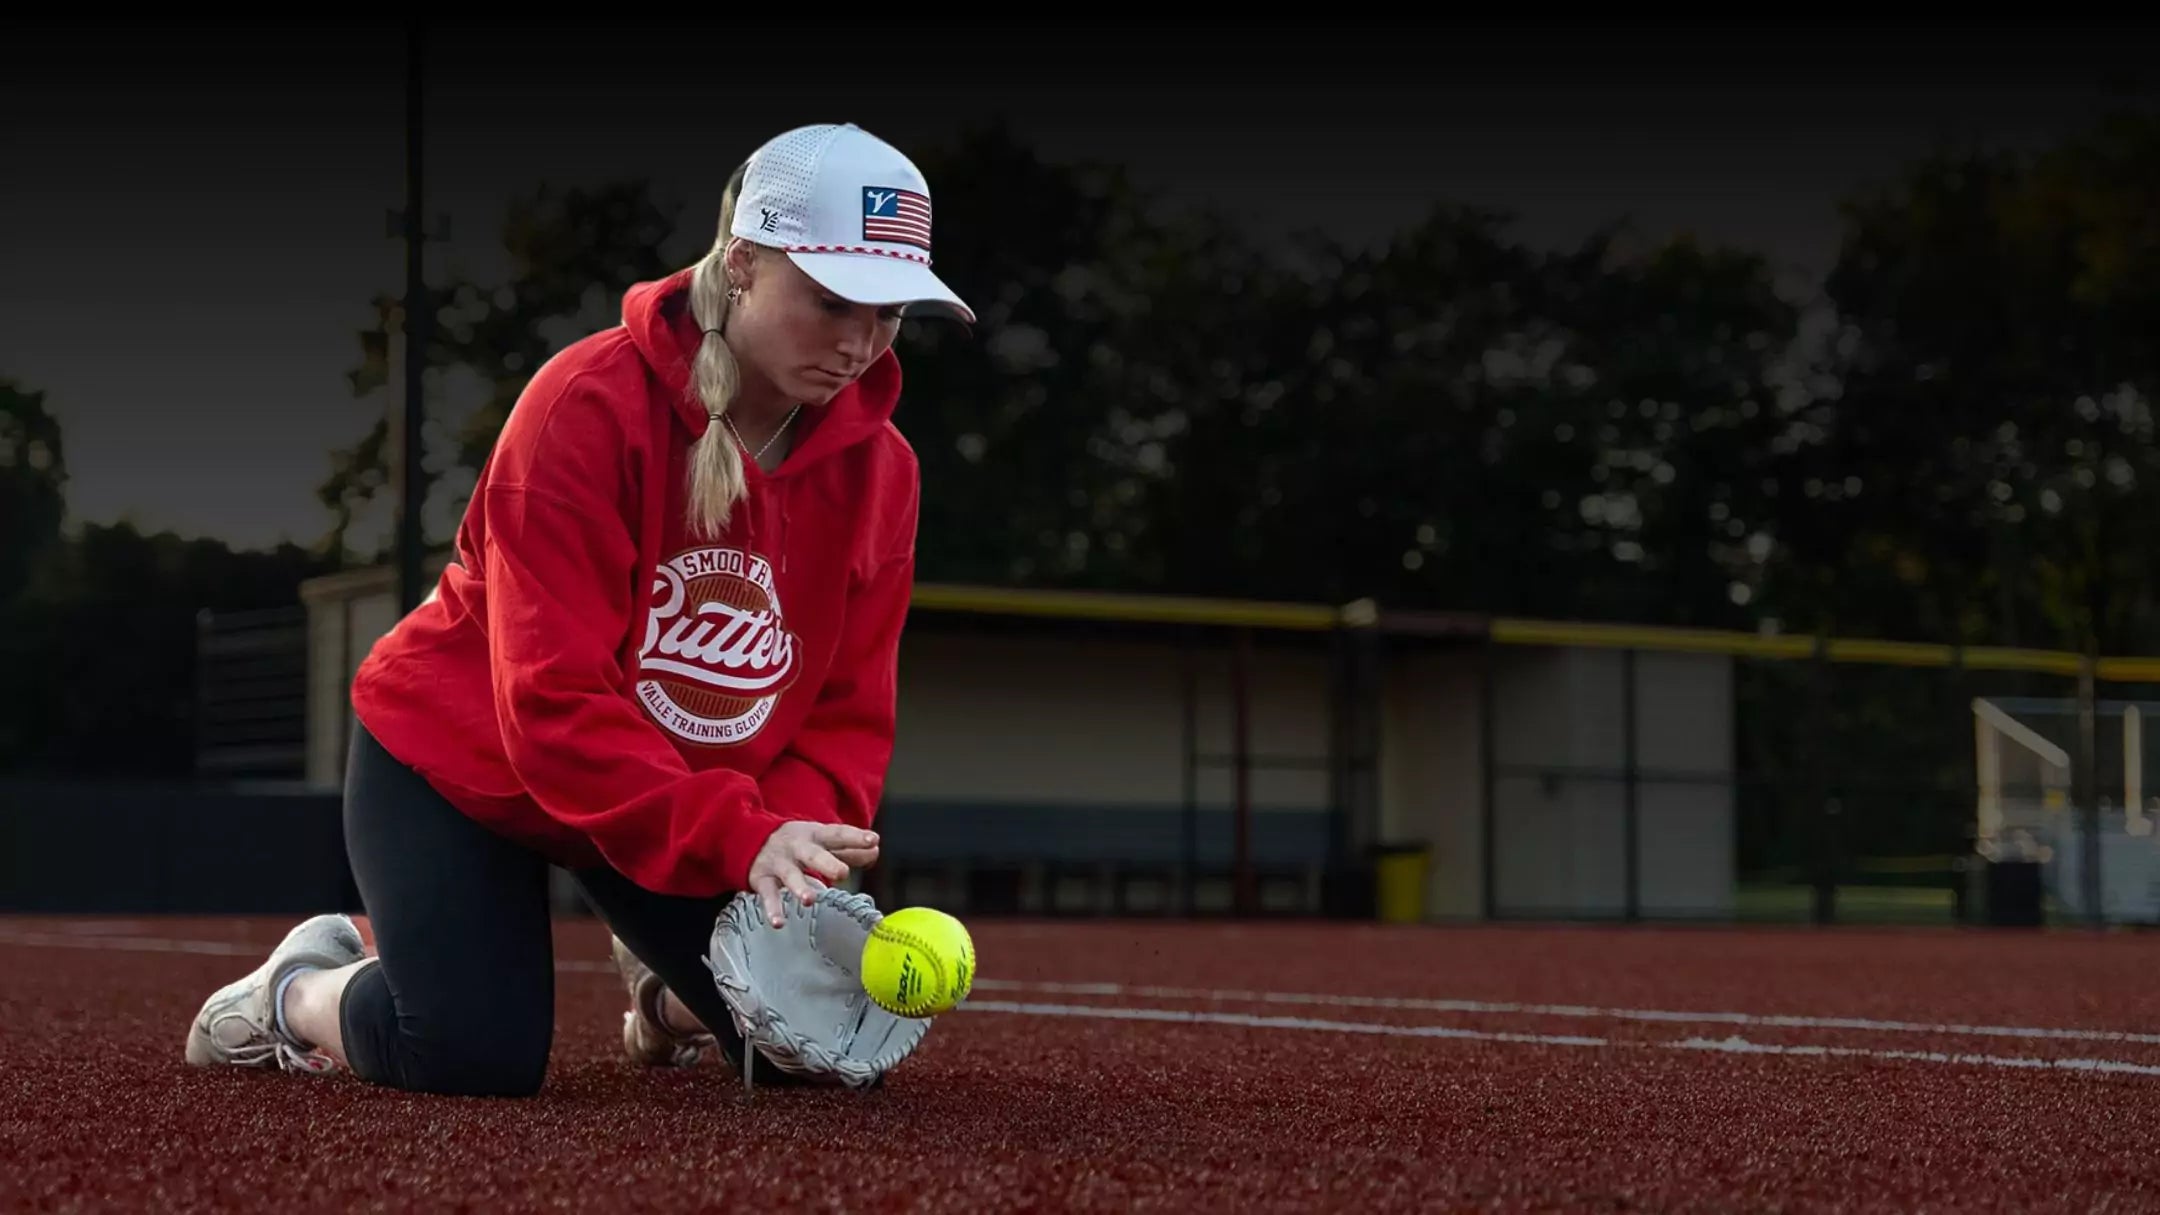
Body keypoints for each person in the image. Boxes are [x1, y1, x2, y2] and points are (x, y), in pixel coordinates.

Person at [183, 122, 974, 1096]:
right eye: (830, 301)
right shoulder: (584, 407)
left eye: (890, 313)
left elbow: (846, 714)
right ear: (740, 267)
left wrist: (788, 851)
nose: (860, 342)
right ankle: (294, 989)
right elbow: (552, 709)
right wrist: (735, 836)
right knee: (471, 1056)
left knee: (810, 1059)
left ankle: (665, 1000)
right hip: (465, 767)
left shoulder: (883, 472)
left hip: (667, 793)